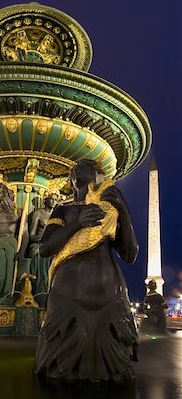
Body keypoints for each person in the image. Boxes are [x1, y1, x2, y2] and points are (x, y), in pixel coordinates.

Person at [34, 159, 139, 382]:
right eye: (77, 169)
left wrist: (124, 211)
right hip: (67, 297)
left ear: (97, 176)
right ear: (72, 181)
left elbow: (130, 255)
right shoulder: (63, 209)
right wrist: (78, 223)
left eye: (89, 167)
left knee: (115, 375)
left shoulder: (109, 208)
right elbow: (45, 248)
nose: (82, 168)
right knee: (58, 372)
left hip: (109, 297)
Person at [28, 195, 57, 305]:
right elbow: (31, 235)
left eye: (56, 199)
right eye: (52, 199)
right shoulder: (38, 214)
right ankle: (42, 290)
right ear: (46, 200)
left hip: (53, 246)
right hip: (38, 245)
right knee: (44, 254)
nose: (54, 201)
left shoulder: (57, 216)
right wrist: (45, 240)